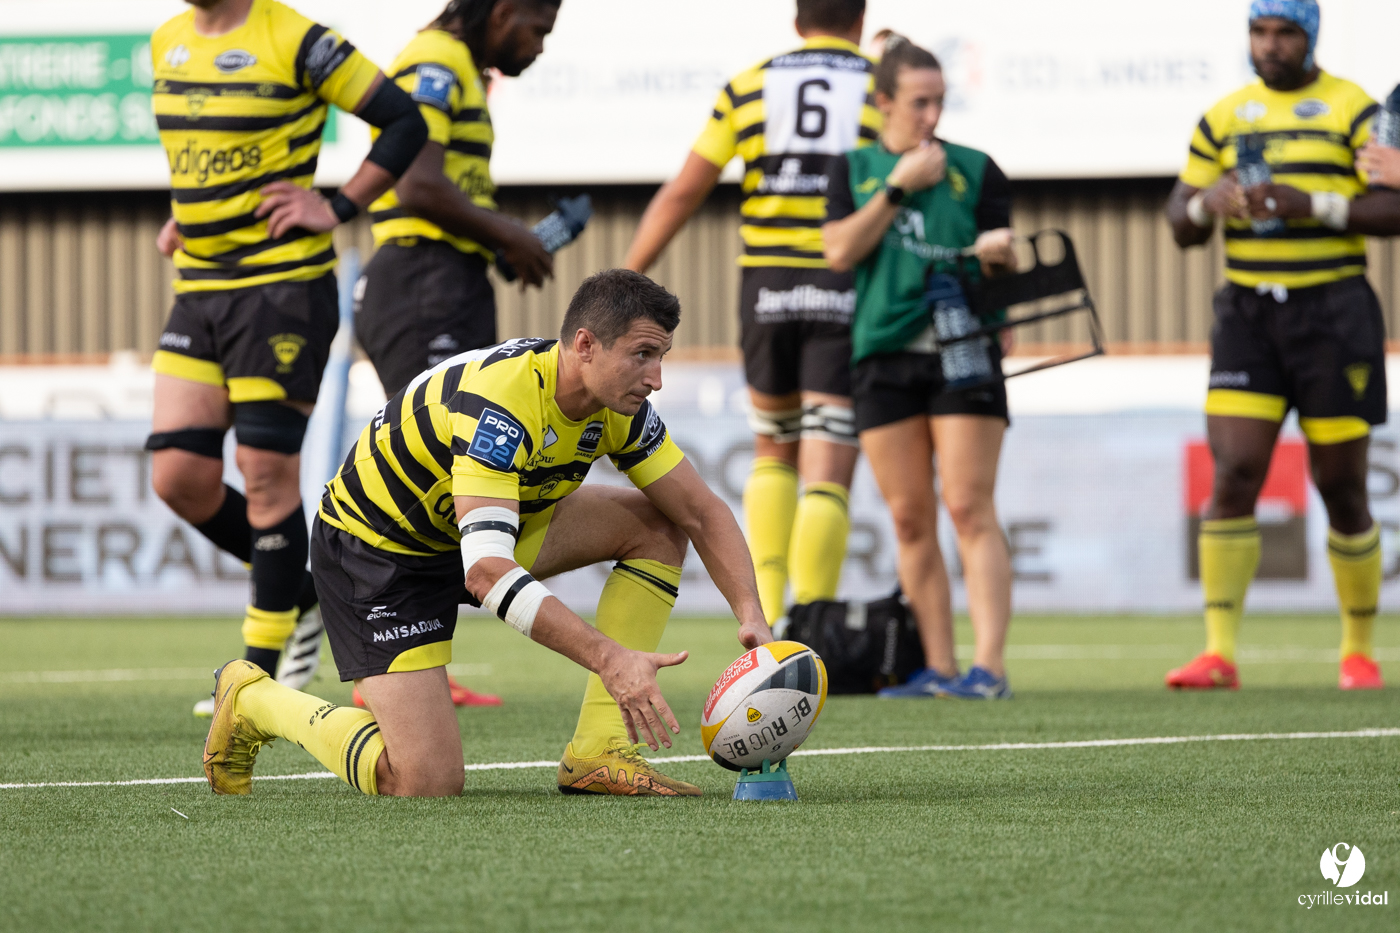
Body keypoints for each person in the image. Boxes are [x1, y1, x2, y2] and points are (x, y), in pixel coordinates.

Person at [201, 270, 773, 798]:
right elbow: (487, 572)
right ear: (584, 345)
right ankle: (254, 698)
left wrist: (753, 616)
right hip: (377, 551)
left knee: (659, 525)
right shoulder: (501, 405)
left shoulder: (620, 406)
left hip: (477, 530)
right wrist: (608, 657)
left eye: (662, 356)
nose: (656, 378)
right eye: (643, 355)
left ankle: (600, 751)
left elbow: (701, 512)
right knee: (424, 782)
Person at [146, 0, 428, 714]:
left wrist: (335, 207)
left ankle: (255, 677)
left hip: (279, 287)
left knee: (265, 475)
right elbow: (205, 152)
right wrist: (194, 207)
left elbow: (404, 121)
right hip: (199, 284)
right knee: (178, 474)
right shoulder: (168, 41)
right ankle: (302, 594)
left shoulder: (297, 38)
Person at [1164, 0, 1400, 691]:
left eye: (1285, 32)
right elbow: (1178, 218)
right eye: (1259, 32)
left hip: (1333, 310)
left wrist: (1313, 203)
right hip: (1247, 312)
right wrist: (1209, 204)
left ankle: (1358, 650)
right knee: (1233, 471)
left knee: (1341, 485)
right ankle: (1218, 651)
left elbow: (1393, 205)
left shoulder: (1352, 108)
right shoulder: (1224, 116)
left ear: (1311, 36)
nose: (1270, 45)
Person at [623, 0, 881, 627]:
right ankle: (810, 619)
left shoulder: (748, 86)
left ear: (797, 19)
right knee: (829, 451)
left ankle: (762, 616)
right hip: (844, 280)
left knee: (773, 447)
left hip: (766, 284)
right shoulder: (881, 85)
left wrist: (627, 277)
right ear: (862, 16)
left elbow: (686, 188)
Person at [822, 36, 1017, 700]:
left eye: (939, 101)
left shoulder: (978, 168)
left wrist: (1000, 256)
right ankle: (939, 666)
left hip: (961, 350)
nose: (932, 116)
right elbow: (841, 251)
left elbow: (1004, 273)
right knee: (909, 517)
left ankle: (988, 668)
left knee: (968, 504)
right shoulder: (852, 168)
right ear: (882, 103)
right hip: (881, 355)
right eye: (918, 102)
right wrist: (898, 187)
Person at [356, 0, 559, 400]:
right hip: (423, 282)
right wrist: (508, 235)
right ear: (502, 12)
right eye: (538, 30)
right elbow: (417, 184)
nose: (540, 48)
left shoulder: (460, 65)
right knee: (440, 448)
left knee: (461, 446)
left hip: (444, 283)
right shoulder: (435, 59)